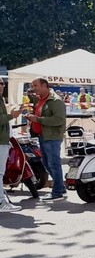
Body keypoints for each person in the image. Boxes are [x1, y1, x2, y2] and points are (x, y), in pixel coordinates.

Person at [26, 77, 67, 201]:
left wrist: (37, 119)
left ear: (44, 85)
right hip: (43, 136)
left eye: (35, 85)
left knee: (53, 164)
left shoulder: (56, 101)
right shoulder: (39, 99)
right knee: (47, 164)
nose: (33, 88)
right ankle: (60, 187)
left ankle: (57, 192)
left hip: (52, 137)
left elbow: (59, 120)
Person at [1, 79, 23, 212]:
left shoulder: (1, 99)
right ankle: (1, 203)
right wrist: (11, 116)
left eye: (3, 83)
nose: (2, 86)